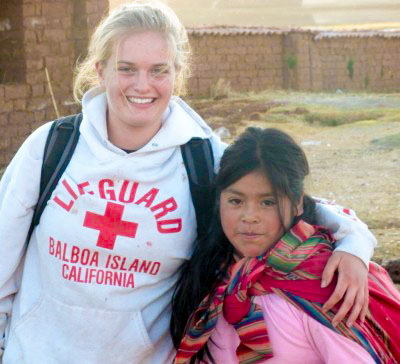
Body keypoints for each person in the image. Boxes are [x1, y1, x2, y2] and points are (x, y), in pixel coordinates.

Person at [0, 1, 377, 363]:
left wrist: (355, 243)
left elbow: (288, 202)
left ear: (177, 74)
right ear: (101, 71)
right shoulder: (51, 147)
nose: (142, 85)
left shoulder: (201, 160)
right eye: (127, 68)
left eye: (159, 70)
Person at [171, 127, 400, 364]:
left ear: (297, 202)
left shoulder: (328, 286)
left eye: (268, 202)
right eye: (235, 201)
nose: (249, 216)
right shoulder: (212, 274)